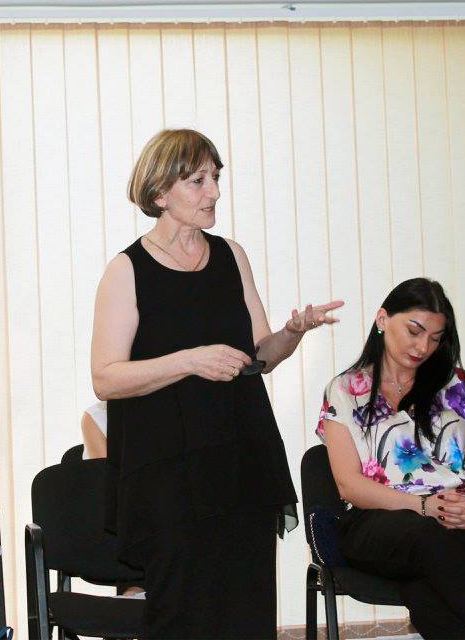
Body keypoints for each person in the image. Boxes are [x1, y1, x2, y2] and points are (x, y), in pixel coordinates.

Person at [91, 128, 342, 638]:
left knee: (247, 607)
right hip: (166, 469)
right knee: (182, 612)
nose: (215, 192)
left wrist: (293, 333)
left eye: (216, 178)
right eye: (198, 181)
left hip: (239, 455)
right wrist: (189, 361)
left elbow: (258, 357)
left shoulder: (231, 255)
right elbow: (106, 378)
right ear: (160, 193)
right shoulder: (126, 270)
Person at [318, 278, 465, 640]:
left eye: (436, 338)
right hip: (380, 521)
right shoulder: (345, 390)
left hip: (462, 518)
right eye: (414, 331)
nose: (424, 347)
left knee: (425, 589)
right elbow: (348, 484)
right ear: (382, 319)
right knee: (429, 540)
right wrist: (424, 507)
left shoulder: (458, 385)